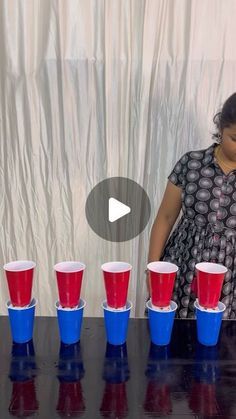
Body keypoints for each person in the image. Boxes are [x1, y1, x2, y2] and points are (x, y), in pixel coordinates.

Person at [147, 92, 236, 319]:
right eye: (234, 138)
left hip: (229, 279)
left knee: (221, 343)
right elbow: (165, 217)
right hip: (184, 265)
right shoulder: (191, 163)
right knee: (172, 337)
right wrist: (153, 269)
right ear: (221, 128)